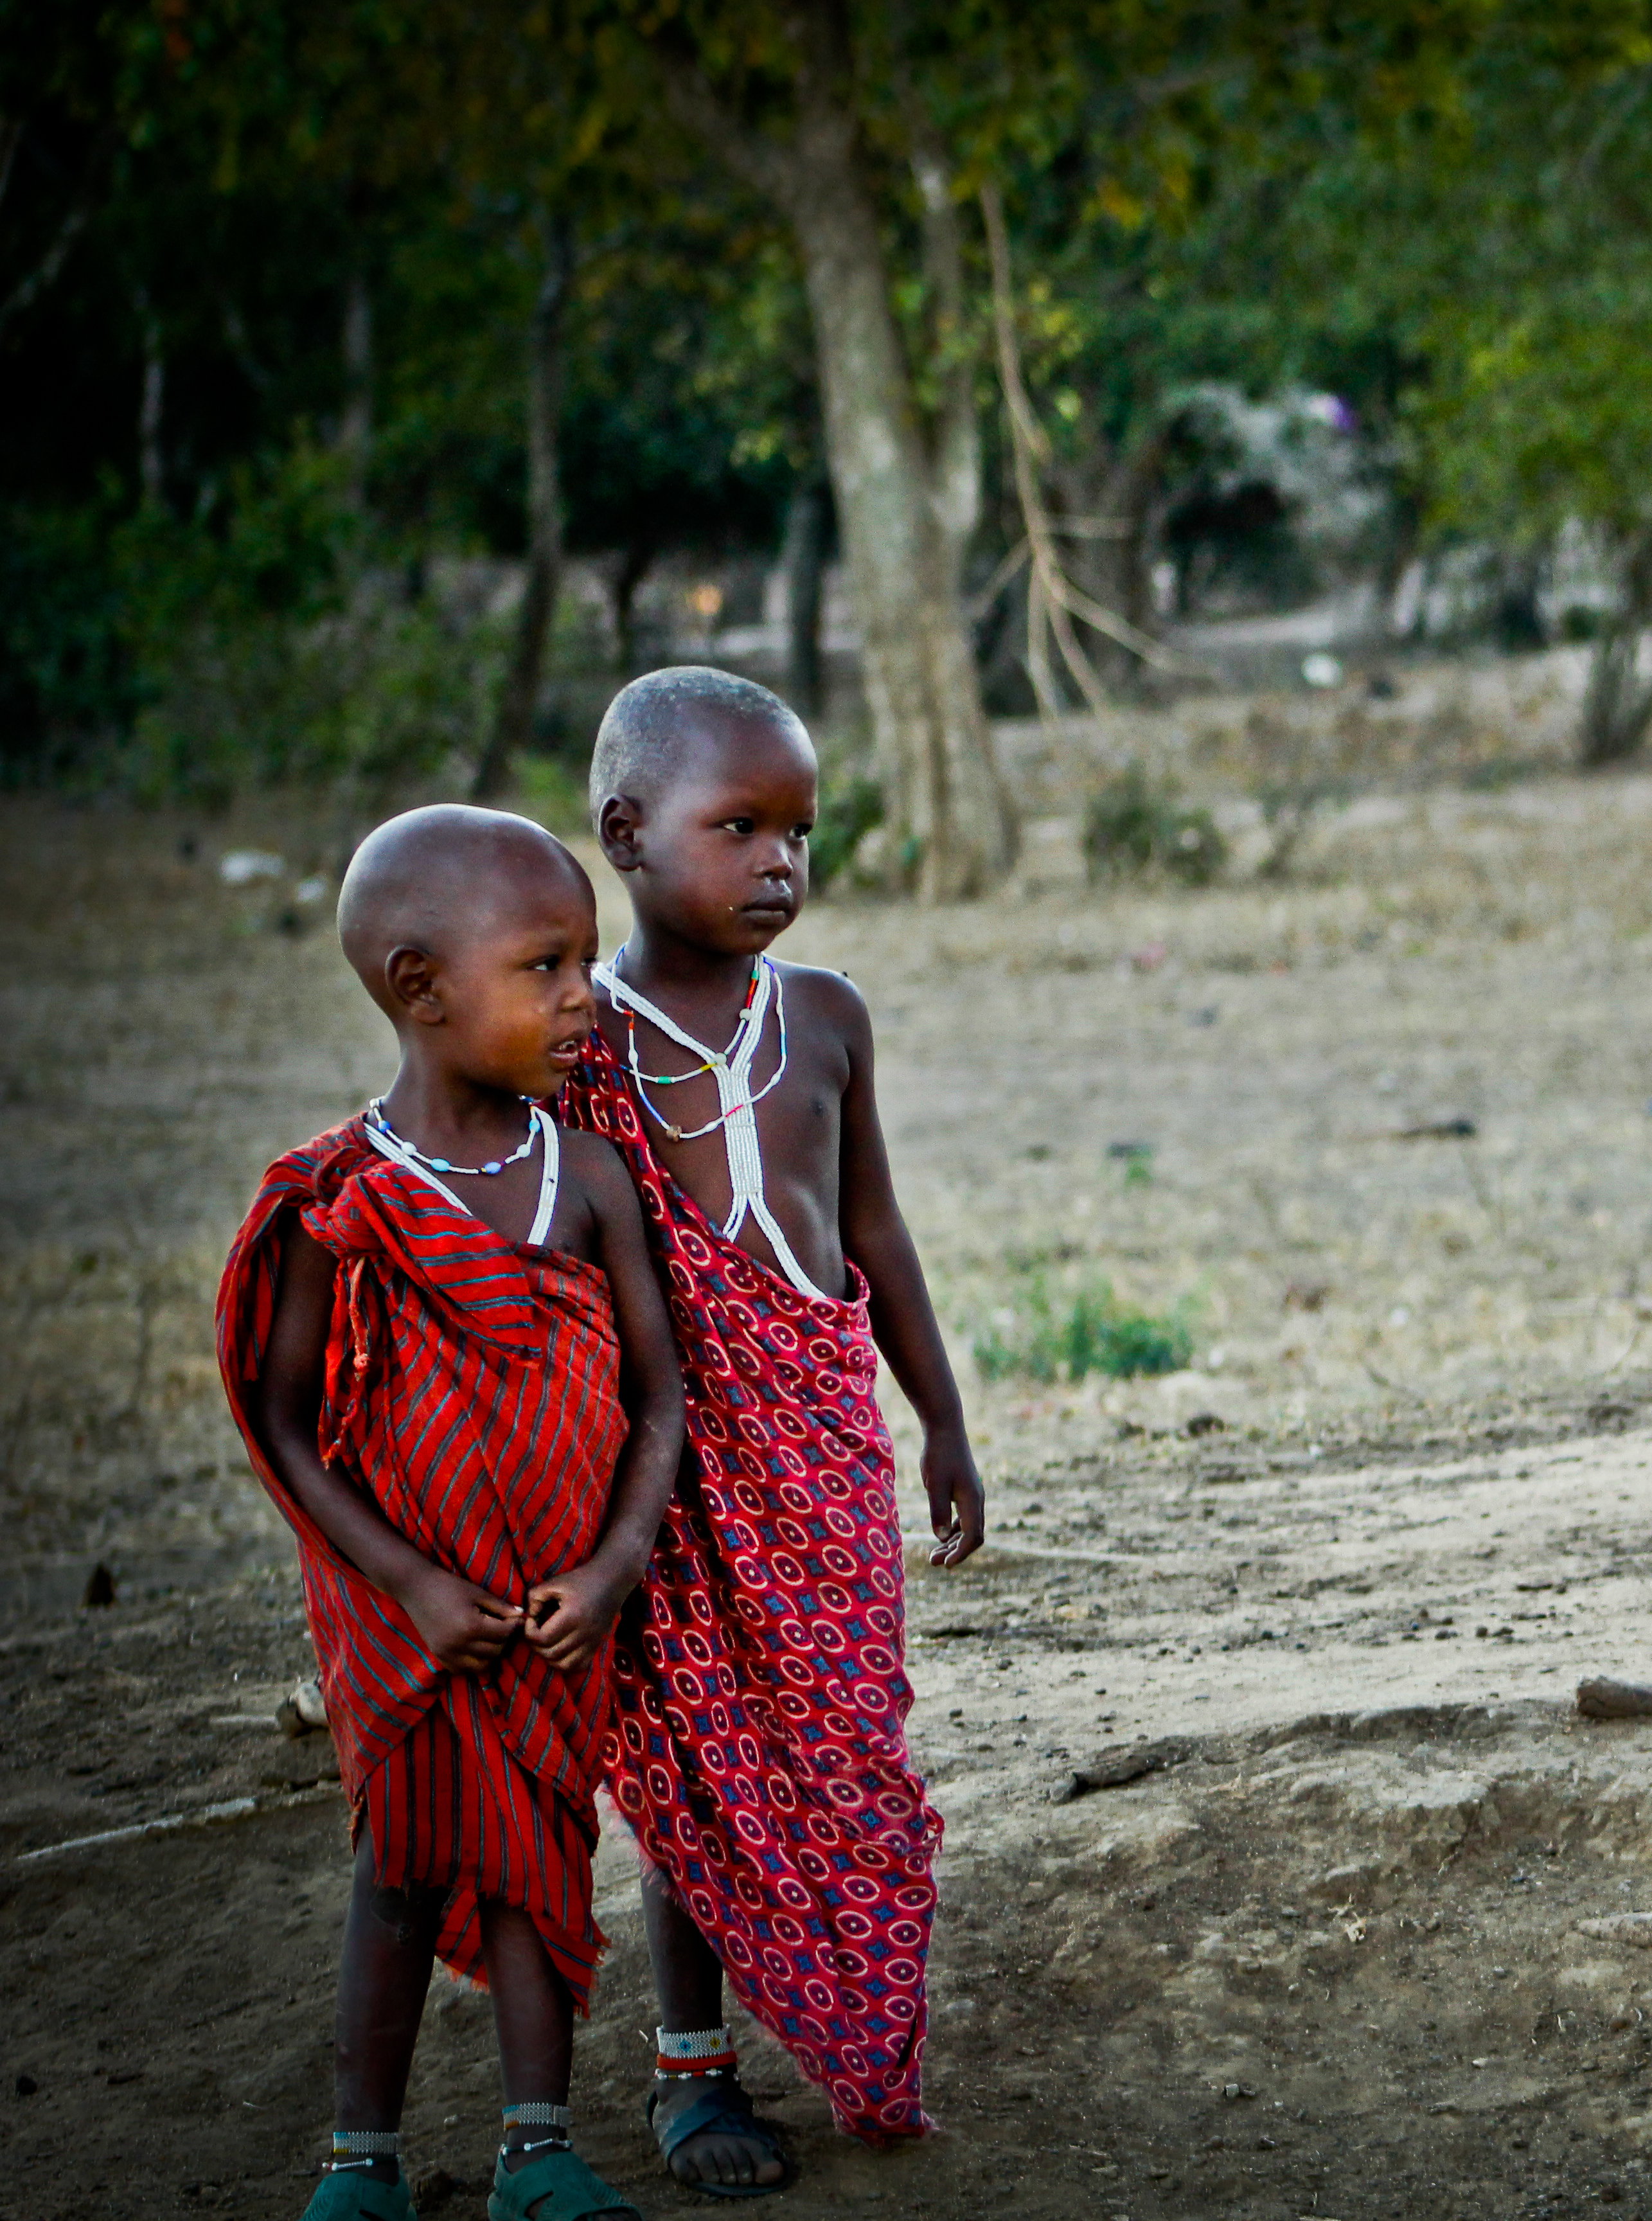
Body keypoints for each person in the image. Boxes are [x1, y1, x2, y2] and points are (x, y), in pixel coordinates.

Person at [217, 806, 686, 2221]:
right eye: (545, 966)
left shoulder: (589, 1178)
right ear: (422, 989)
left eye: (587, 963)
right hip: (408, 1618)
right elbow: (288, 1425)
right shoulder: (337, 1202)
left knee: (542, 1849)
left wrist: (612, 1567)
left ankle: (536, 2147)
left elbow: (662, 1399)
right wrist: (409, 1583)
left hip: (553, 1613)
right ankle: (359, 2161)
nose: (582, 999)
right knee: (404, 1861)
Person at [555, 667, 988, 2187]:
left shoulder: (824, 1018)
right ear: (624, 832)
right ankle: (694, 2072)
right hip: (665, 1482)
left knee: (851, 1745)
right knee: (698, 1767)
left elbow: (876, 1228)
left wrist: (941, 1418)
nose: (780, 864)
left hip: (823, 1457)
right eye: (737, 827)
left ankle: (865, 2025)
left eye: (802, 830)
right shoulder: (570, 1051)